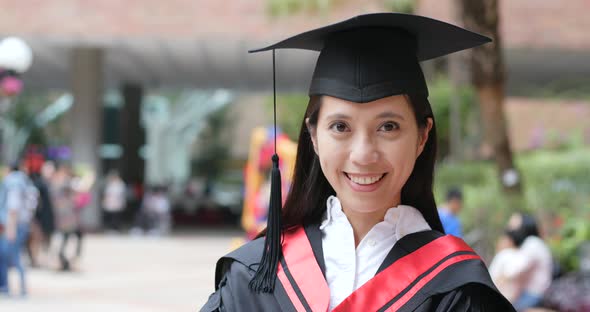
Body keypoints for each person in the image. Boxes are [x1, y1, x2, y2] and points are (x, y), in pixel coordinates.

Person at [201, 13, 515, 311]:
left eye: (388, 127)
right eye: (341, 127)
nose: (363, 154)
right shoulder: (255, 274)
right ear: (313, 135)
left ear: (422, 136)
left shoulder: (457, 291)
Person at [501, 213, 553, 311]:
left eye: (514, 225)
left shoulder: (532, 243)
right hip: (533, 293)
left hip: (535, 295)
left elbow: (512, 272)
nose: (510, 228)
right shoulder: (533, 243)